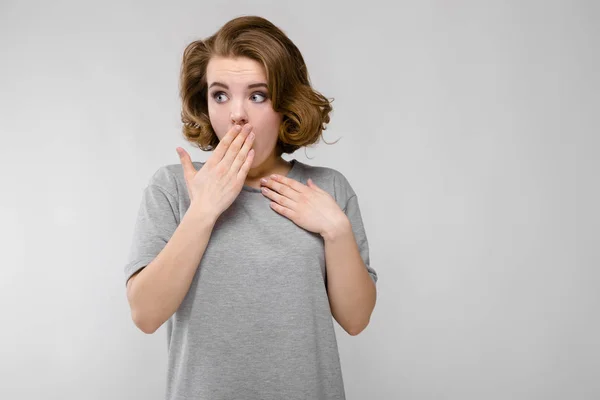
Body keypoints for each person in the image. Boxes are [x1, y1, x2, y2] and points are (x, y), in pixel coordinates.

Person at [124, 15, 378, 400]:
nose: (236, 113)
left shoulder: (328, 188)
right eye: (220, 95)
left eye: (257, 95)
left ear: (285, 104)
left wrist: (336, 231)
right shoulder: (173, 187)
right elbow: (145, 314)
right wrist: (204, 211)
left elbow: (356, 320)